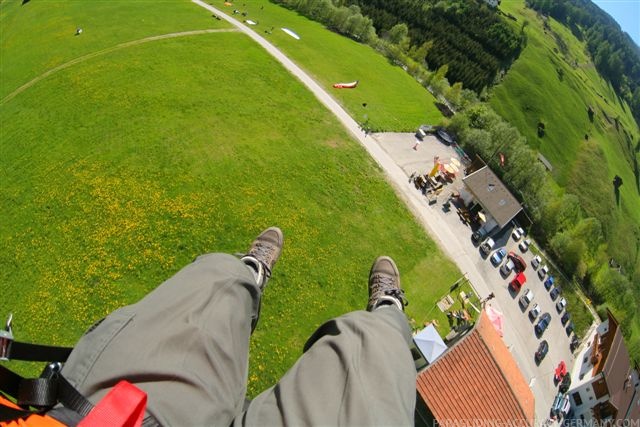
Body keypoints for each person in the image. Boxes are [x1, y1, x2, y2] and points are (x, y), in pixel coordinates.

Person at [43, 227, 417, 425]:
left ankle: (247, 276)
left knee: (211, 288)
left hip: (104, 418)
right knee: (373, 352)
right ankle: (388, 312)